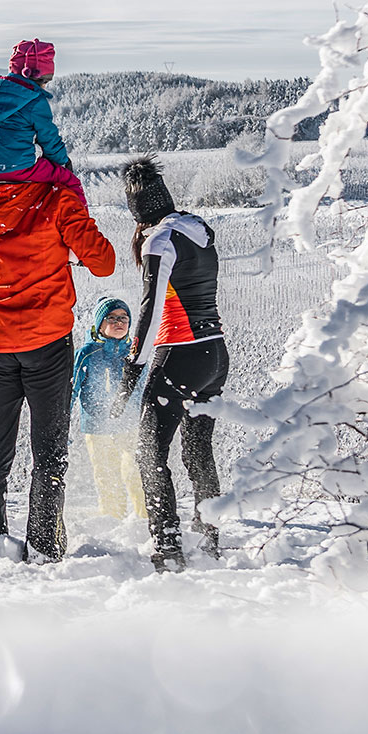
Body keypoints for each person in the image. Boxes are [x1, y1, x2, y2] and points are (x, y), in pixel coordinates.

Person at [0, 175, 115, 561]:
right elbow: (103, 263)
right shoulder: (55, 201)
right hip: (48, 343)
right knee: (49, 447)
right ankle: (44, 544)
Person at [118, 157, 228, 572]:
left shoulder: (159, 241)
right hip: (216, 354)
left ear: (137, 214)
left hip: (181, 353)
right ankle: (208, 535)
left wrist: (133, 366)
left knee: (149, 452)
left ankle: (166, 545)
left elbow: (148, 311)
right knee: (199, 450)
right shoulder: (197, 231)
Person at [0, 39, 88, 207]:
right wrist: (62, 162)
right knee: (69, 181)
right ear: (36, 77)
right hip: (18, 169)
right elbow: (49, 138)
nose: (45, 86)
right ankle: (82, 231)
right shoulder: (35, 100)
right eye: (45, 81)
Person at [73, 297, 146, 520]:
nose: (119, 322)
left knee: (136, 473)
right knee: (106, 476)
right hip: (97, 428)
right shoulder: (88, 353)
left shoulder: (134, 353)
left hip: (130, 425)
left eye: (123, 318)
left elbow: (145, 389)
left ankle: (144, 520)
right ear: (99, 324)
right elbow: (71, 389)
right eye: (111, 318)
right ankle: (113, 521)